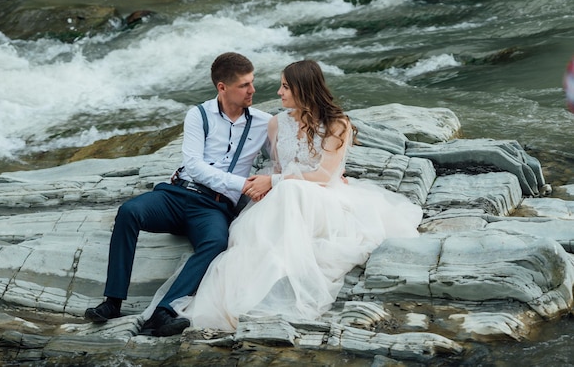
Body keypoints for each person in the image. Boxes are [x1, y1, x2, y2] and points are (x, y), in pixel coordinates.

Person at [142, 59, 423, 332]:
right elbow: (277, 165)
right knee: (256, 231)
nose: (279, 93)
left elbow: (323, 176)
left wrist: (274, 181)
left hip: (322, 199)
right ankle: (231, 299)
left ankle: (275, 284)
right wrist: (266, 184)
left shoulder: (337, 124)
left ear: (304, 89)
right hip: (286, 195)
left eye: (285, 87)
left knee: (289, 190)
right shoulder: (277, 123)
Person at [84, 52, 272, 337]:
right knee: (129, 212)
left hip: (214, 207)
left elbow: (286, 157)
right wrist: (242, 184)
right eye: (244, 85)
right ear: (222, 87)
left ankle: (165, 311)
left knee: (216, 242)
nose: (252, 90)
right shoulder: (198, 115)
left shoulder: (263, 122)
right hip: (177, 195)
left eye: (252, 82)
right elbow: (195, 166)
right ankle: (112, 302)